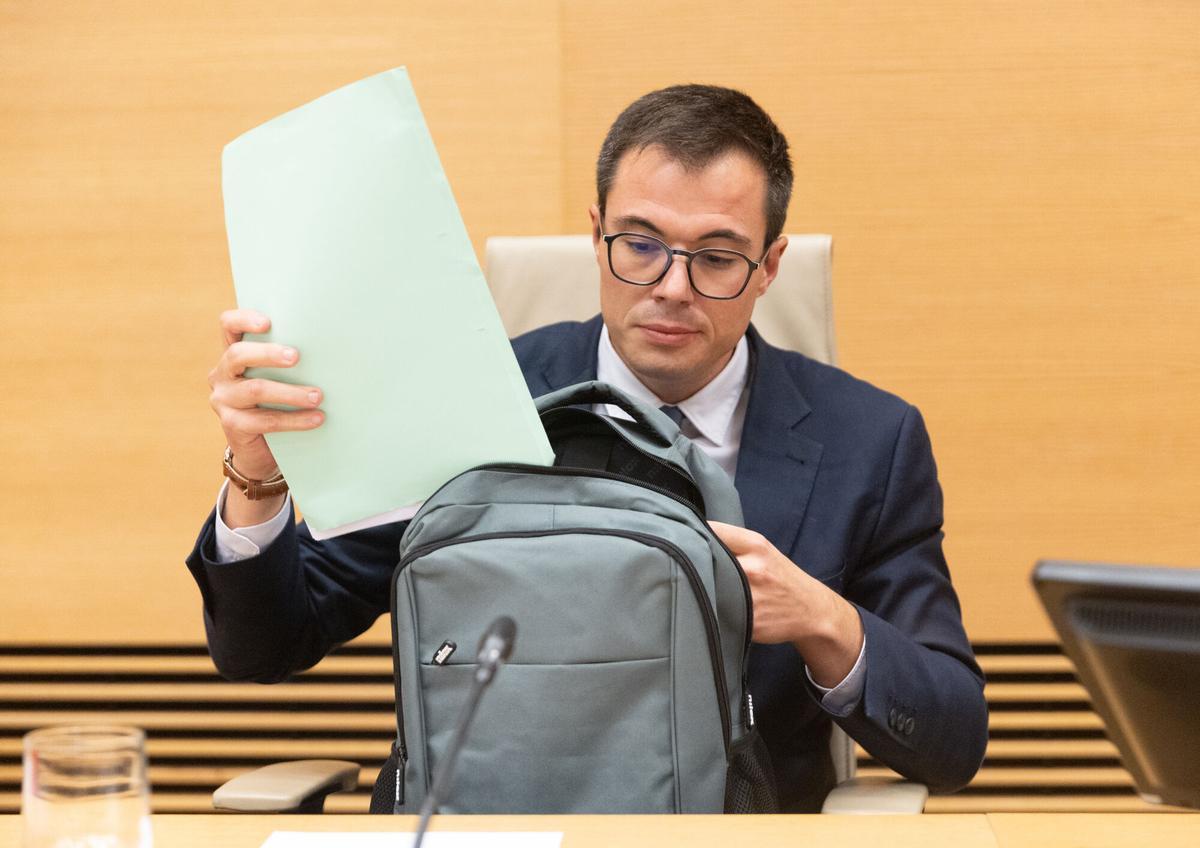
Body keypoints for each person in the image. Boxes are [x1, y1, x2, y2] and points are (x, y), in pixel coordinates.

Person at [189, 84, 988, 812]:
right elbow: (265, 646)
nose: (671, 287)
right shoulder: (471, 398)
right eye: (640, 245)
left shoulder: (868, 440)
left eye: (716, 258)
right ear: (596, 233)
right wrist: (257, 479)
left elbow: (952, 742)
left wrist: (823, 619)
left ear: (769, 266)